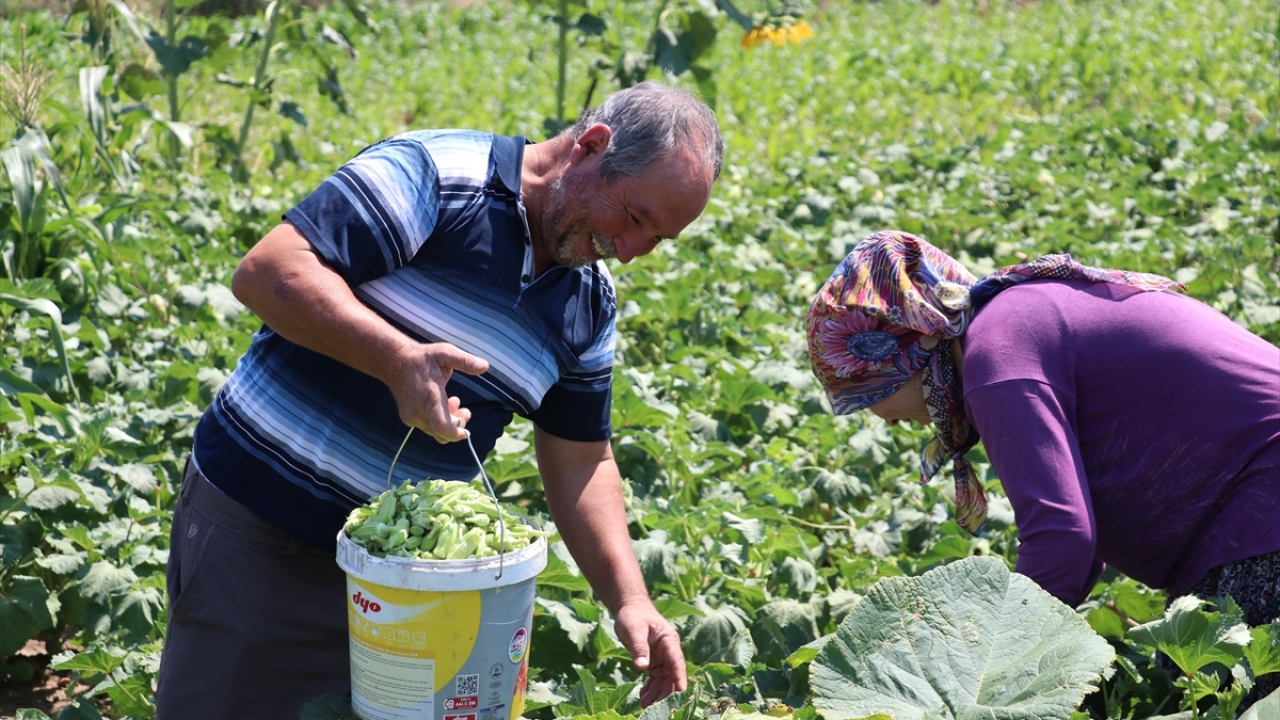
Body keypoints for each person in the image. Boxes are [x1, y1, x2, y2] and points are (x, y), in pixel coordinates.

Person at [155, 80, 723, 720]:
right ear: (591, 147)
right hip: (264, 543)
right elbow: (270, 270)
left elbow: (581, 459)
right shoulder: (440, 175)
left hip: (415, 592)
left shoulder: (589, 303)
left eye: (656, 240)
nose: (629, 250)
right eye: (636, 217)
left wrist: (631, 600)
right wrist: (396, 359)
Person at [806, 230, 1280, 704]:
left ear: (907, 350)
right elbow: (1073, 542)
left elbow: (1062, 539)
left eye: (865, 393)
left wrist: (982, 680)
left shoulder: (998, 357)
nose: (881, 416)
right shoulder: (1013, 323)